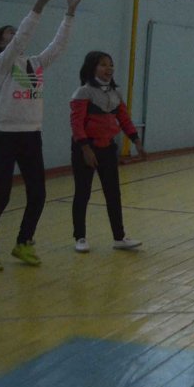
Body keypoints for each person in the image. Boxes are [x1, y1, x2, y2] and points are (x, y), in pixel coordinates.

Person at [0, 0, 85, 272]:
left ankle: (23, 242)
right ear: (1, 44)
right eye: (8, 34)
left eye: (14, 31)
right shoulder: (2, 64)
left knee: (38, 194)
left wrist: (70, 13)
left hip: (31, 137)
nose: (14, 34)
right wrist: (39, 5)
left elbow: (58, 45)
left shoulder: (35, 64)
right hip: (6, 138)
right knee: (0, 196)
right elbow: (22, 37)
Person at [69, 51, 146, 251]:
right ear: (92, 68)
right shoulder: (83, 92)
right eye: (103, 65)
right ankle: (80, 237)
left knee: (113, 194)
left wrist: (136, 140)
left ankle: (119, 237)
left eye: (110, 65)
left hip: (108, 148)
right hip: (86, 148)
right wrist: (86, 149)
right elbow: (77, 124)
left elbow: (124, 119)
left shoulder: (115, 93)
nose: (109, 68)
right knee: (83, 192)